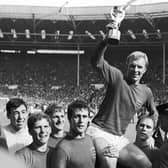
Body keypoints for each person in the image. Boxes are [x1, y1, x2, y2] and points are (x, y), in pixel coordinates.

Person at [86, 11, 158, 167]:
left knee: (146, 165)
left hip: (119, 137)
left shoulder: (146, 92)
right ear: (127, 66)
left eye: (140, 67)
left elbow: (154, 112)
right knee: (109, 161)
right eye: (132, 66)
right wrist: (105, 42)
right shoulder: (117, 77)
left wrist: (152, 133)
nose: (135, 70)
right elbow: (96, 62)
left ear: (145, 70)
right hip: (98, 131)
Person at [51, 100, 96, 168]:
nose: (81, 121)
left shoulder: (91, 140)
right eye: (77, 116)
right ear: (69, 118)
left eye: (84, 116)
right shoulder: (62, 148)